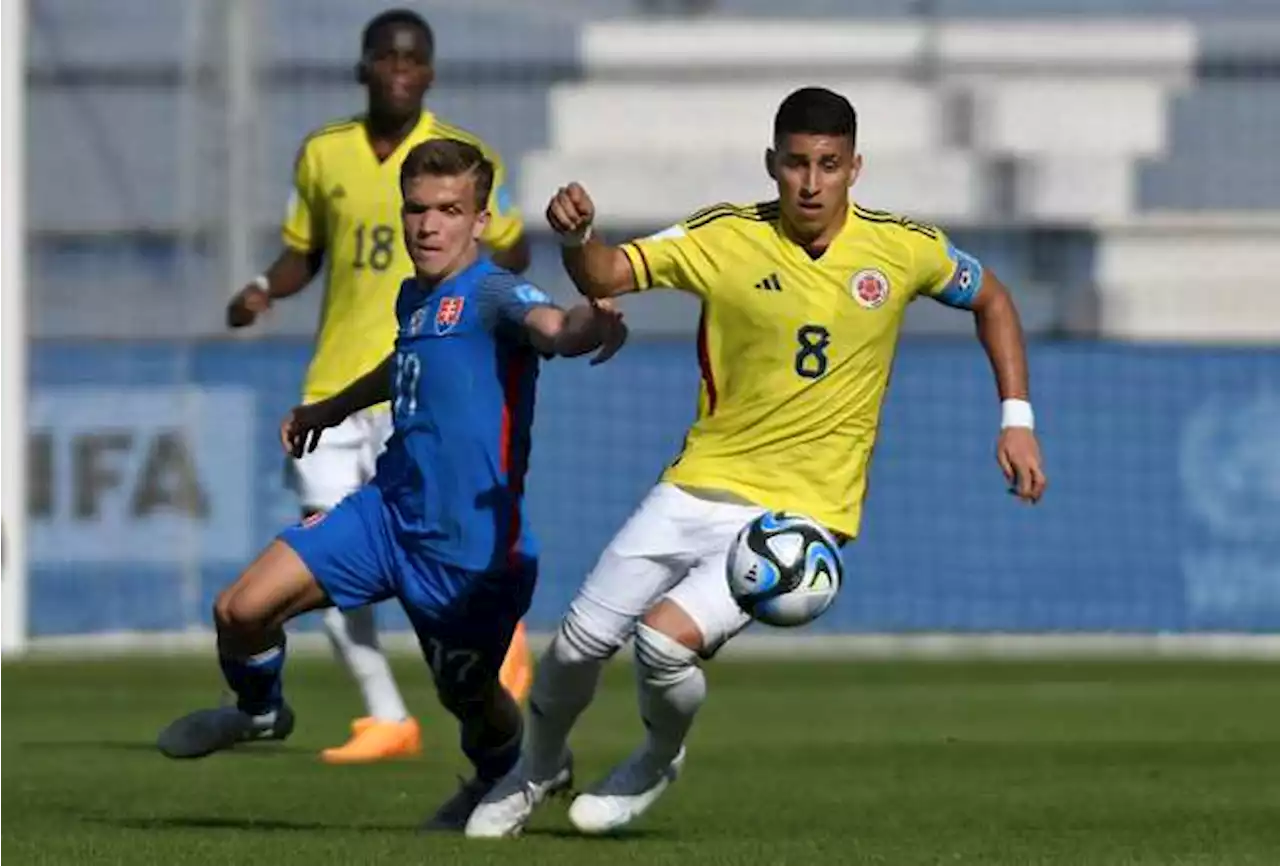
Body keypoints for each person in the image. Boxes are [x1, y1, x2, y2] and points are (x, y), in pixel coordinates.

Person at [465, 86, 1047, 838]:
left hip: (802, 513)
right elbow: (607, 276)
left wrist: (1017, 420)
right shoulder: (725, 236)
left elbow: (993, 299)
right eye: (797, 164)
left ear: (854, 167)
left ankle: (655, 756)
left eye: (829, 165)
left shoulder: (904, 249)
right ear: (772, 164)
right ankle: (536, 767)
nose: (811, 183)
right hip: (700, 481)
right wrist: (579, 240)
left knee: (662, 643)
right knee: (577, 645)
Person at [159, 138, 628, 831]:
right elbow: (408, 360)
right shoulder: (416, 293)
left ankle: (518, 767)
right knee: (240, 611)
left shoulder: (497, 292)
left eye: (448, 210)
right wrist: (331, 408)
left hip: (467, 551)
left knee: (470, 700)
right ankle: (260, 712)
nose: (428, 225)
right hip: (386, 514)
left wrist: (596, 311)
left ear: (479, 219)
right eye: (416, 209)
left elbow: (557, 328)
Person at [225, 8, 533, 764]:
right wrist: (266, 286)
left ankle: (490, 660)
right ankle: (385, 714)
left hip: (422, 394)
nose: (399, 69)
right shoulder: (325, 154)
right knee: (324, 540)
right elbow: (307, 253)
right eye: (385, 57)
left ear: (429, 71)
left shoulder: (459, 156)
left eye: (413, 58)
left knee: (429, 566)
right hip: (340, 379)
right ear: (363, 67)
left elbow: (516, 258)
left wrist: (500, 255)